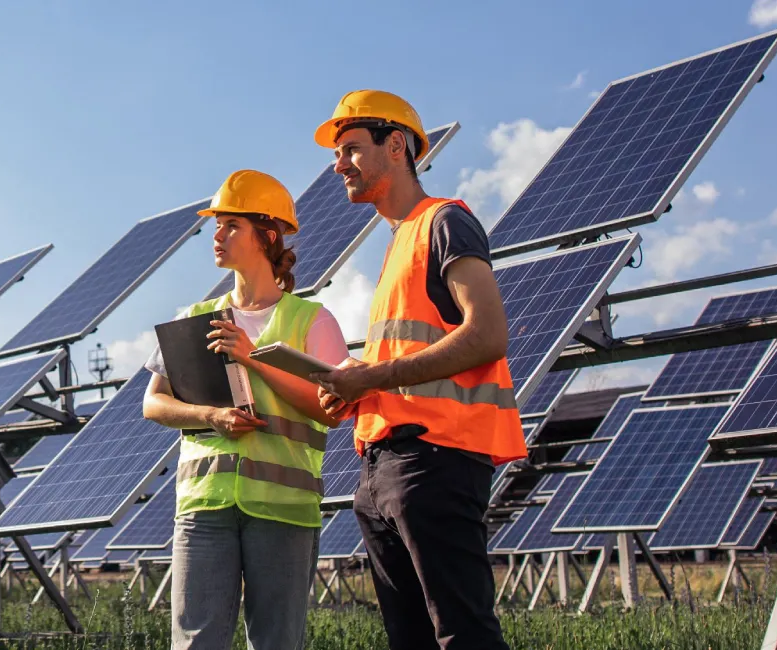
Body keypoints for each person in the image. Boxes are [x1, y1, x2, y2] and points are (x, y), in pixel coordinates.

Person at [307, 90, 524, 650]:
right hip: (382, 465)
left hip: (435, 458)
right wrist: (355, 384)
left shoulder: (444, 221)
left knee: (463, 634)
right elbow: (407, 354)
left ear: (396, 145)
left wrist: (372, 378)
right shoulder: (399, 242)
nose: (338, 165)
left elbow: (487, 333)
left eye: (351, 149)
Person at [143, 169, 347, 650]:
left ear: (267, 235)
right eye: (217, 225)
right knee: (194, 643)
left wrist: (253, 357)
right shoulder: (192, 318)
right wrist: (211, 417)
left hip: (282, 510)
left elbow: (332, 410)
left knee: (276, 643)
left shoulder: (311, 320)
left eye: (231, 225)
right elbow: (154, 403)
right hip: (203, 506)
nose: (216, 235)